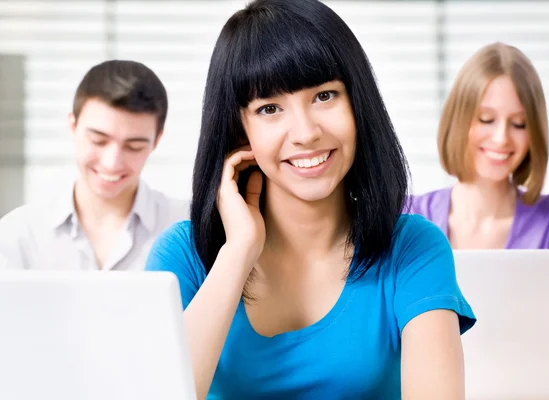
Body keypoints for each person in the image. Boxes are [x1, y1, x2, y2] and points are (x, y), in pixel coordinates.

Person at [146, 0, 476, 398]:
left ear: (358, 103)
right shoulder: (182, 255)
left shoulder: (411, 248)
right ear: (239, 129)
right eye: (269, 108)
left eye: (324, 96)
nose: (305, 132)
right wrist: (238, 251)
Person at [0, 60, 189, 270]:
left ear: (157, 140)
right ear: (73, 125)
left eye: (134, 146)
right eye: (98, 140)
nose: (112, 162)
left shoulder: (186, 226)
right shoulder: (20, 235)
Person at [410, 42, 549, 249]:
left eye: (519, 124)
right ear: (457, 120)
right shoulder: (409, 217)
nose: (501, 138)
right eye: (486, 119)